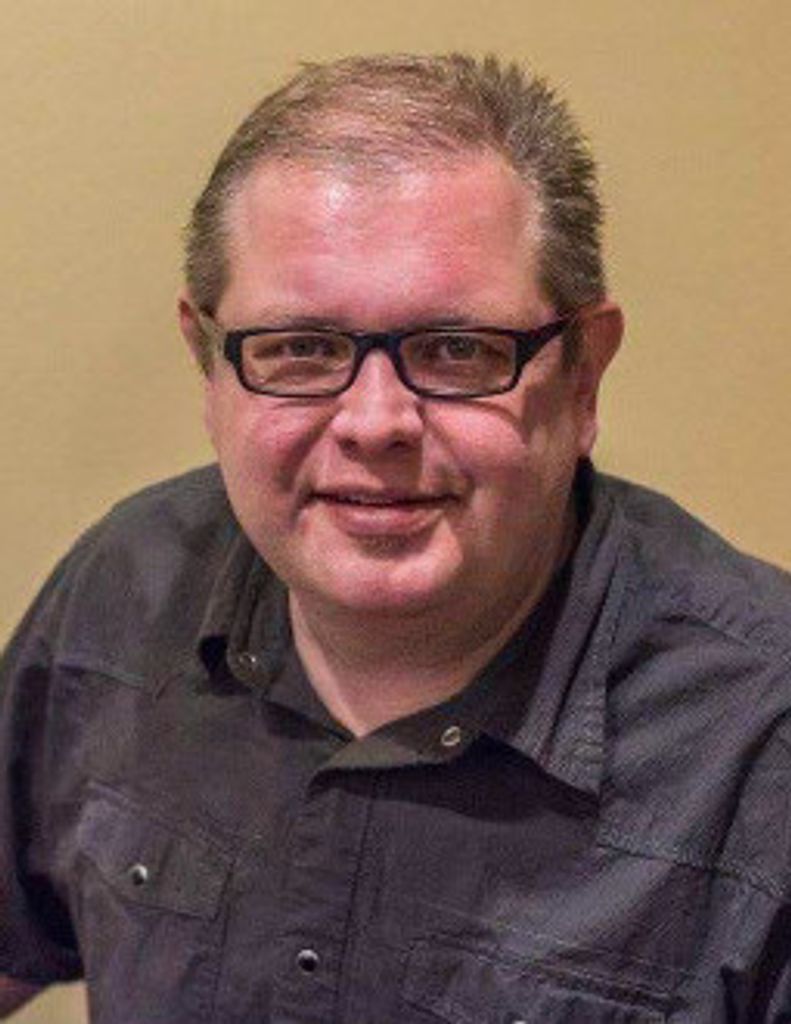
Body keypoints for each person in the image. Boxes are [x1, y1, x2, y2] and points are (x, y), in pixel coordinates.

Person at [1, 53, 790, 1024]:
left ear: (582, 377)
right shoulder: (127, 586)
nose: (375, 424)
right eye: (301, 348)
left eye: (455, 350)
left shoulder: (764, 738)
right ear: (208, 367)